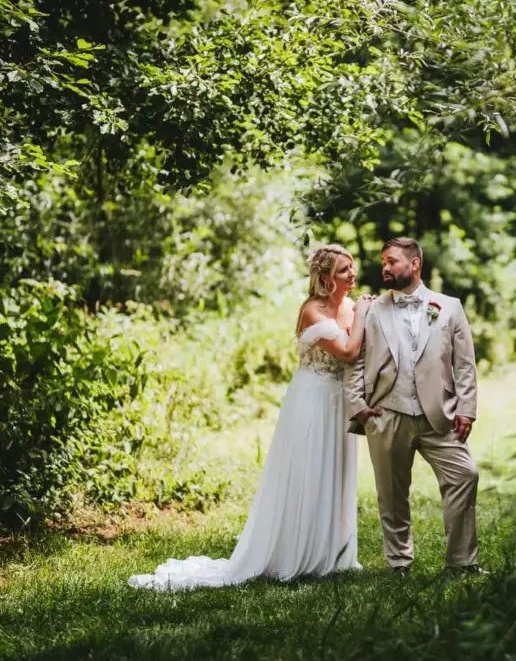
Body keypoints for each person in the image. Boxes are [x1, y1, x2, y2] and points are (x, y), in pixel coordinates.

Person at [129, 244, 374, 590]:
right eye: (343, 270)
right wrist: (365, 313)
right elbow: (348, 351)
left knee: (336, 472)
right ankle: (294, 554)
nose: (352, 275)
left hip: (340, 403)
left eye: (351, 268)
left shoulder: (351, 306)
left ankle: (333, 555)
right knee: (309, 471)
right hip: (312, 400)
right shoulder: (312, 311)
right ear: (324, 278)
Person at [344, 237, 486, 578]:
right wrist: (358, 405)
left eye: (392, 261)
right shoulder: (372, 308)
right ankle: (399, 564)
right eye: (384, 262)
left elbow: (465, 364)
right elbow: (355, 361)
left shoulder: (449, 306)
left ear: (415, 264)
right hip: (387, 413)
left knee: (465, 475)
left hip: (440, 414)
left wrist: (467, 408)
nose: (385, 268)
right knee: (391, 494)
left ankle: (462, 562)